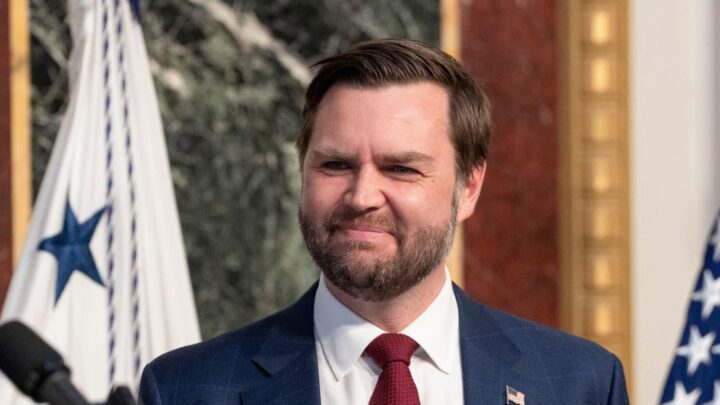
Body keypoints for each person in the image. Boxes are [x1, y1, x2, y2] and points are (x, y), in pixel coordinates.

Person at [139, 39, 629, 405]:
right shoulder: (185, 389)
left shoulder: (580, 383)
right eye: (335, 165)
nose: (362, 197)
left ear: (468, 188)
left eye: (401, 169)